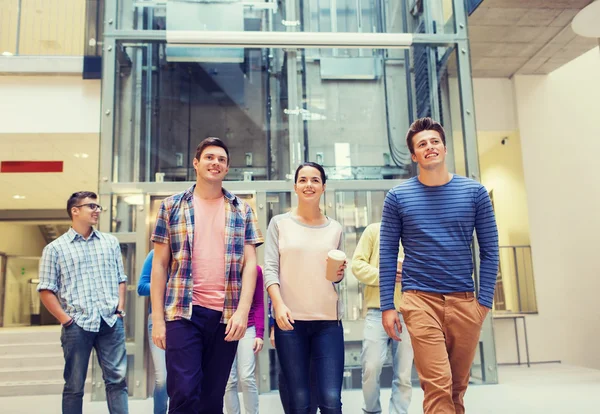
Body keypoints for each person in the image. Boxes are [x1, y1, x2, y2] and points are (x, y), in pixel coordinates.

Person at [379, 117, 499, 414]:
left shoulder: (475, 193)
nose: (429, 147)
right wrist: (387, 305)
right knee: (438, 384)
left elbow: (490, 250)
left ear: (444, 149)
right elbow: (387, 252)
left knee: (457, 389)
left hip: (465, 302)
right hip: (420, 301)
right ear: (414, 156)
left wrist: (483, 303)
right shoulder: (398, 197)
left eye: (434, 142)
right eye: (422, 144)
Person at [150, 137, 264, 414]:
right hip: (182, 313)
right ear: (196, 163)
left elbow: (251, 265)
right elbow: (160, 266)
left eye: (222, 160)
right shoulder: (171, 206)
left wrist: (242, 313)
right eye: (210, 157)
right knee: (185, 392)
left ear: (227, 169)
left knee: (213, 398)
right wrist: (158, 320)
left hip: (225, 317)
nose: (216, 163)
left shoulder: (243, 210)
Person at [264, 162, 346, 414]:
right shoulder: (279, 223)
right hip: (290, 323)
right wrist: (278, 307)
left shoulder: (335, 228)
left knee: (331, 400)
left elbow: (335, 277)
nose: (308, 184)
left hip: (328, 323)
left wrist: (340, 274)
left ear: (323, 187)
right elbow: (270, 270)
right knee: (300, 401)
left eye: (315, 180)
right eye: (303, 180)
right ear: (295, 186)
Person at [37, 191, 129, 414]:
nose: (97, 210)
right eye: (92, 206)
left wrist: (119, 309)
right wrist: (66, 320)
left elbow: (121, 279)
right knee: (74, 386)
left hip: (110, 322)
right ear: (75, 211)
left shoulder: (110, 242)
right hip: (77, 325)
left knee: (117, 382)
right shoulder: (55, 249)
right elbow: (46, 290)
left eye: (98, 207)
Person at [352, 222, 413, 414]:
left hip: (409, 312)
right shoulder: (373, 230)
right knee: (371, 366)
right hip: (376, 311)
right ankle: (371, 411)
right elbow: (357, 265)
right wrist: (383, 275)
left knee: (403, 375)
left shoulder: (417, 231)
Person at [224, 265, 265, 414]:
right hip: (224, 327)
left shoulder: (256, 270)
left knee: (247, 376)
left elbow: (259, 302)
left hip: (249, 326)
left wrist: (259, 334)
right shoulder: (223, 264)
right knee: (229, 380)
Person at [137, 250, 168, 414]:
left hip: (184, 322)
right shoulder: (155, 254)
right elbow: (141, 287)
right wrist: (168, 285)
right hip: (157, 321)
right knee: (162, 378)